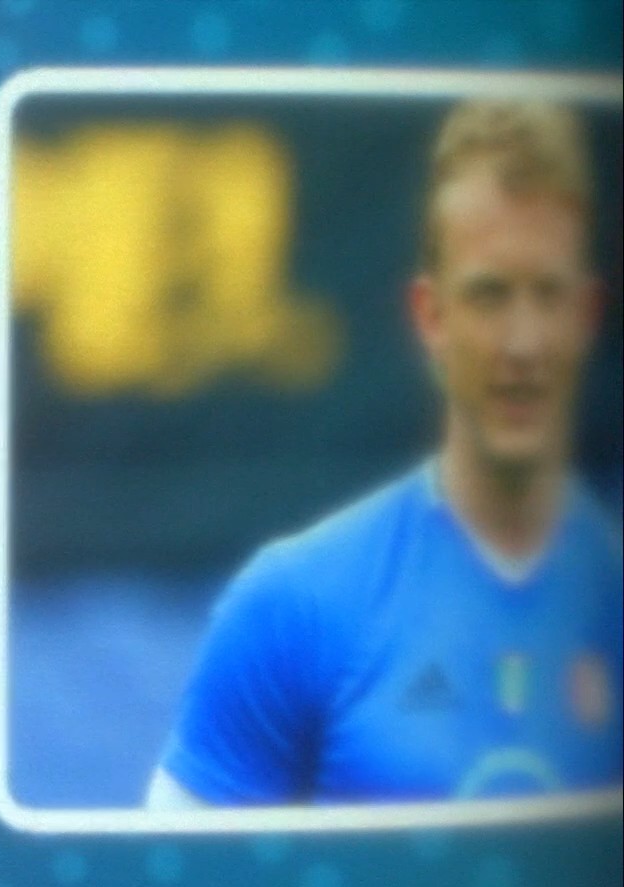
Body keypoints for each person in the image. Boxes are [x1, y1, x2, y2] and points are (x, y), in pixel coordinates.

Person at [149, 99, 621, 807]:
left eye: (548, 296)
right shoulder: (295, 604)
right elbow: (174, 872)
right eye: (489, 295)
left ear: (588, 316)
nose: (522, 344)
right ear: (430, 316)